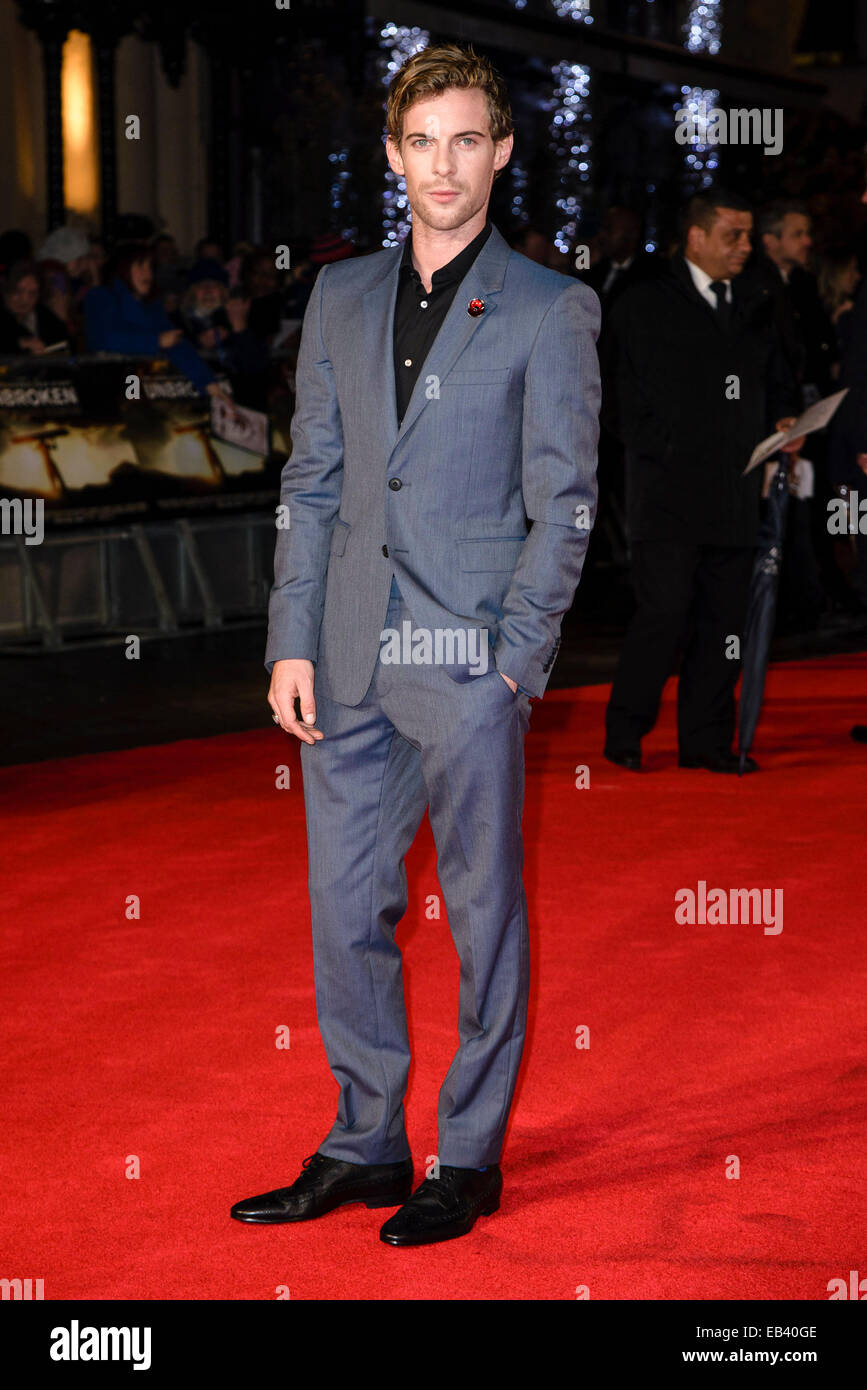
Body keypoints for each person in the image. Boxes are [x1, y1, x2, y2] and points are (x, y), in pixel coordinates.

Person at [231, 41, 600, 1246]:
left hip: (468, 664)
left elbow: (568, 501)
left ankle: (472, 1154)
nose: (443, 165)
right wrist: (291, 633)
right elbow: (315, 477)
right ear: (393, 156)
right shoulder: (338, 296)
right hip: (341, 656)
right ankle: (367, 1140)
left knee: (485, 916)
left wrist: (514, 663)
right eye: (420, 142)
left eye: (466, 141)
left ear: (500, 152)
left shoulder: (552, 308)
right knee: (346, 910)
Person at [602, 188, 800, 774]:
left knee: (723, 623)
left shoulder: (760, 299)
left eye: (747, 235)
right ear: (696, 237)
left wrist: (786, 420)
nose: (746, 247)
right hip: (665, 494)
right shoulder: (643, 303)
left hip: (738, 493)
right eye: (733, 236)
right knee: (662, 615)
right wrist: (661, 448)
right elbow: (613, 395)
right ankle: (625, 735)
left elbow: (781, 375)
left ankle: (707, 743)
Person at [84, 242, 226, 400]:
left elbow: (176, 343)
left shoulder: (152, 306)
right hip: (108, 390)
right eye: (140, 266)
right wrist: (156, 341)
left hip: (143, 392)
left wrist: (210, 386)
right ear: (123, 269)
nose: (148, 274)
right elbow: (104, 338)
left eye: (150, 267)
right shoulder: (101, 297)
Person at [0, 261, 68, 355]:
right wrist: (19, 344)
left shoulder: (46, 318)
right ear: (6, 290)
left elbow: (65, 345)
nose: (24, 299)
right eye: (18, 291)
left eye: (32, 294)